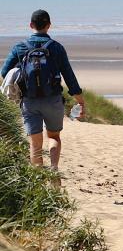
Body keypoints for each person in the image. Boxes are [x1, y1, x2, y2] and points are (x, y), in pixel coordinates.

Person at [1, 9, 85, 171]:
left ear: (31, 25)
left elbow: (4, 73)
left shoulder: (20, 47)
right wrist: (80, 101)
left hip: (29, 101)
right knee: (54, 136)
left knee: (35, 143)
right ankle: (53, 168)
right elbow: (69, 76)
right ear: (49, 26)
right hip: (53, 100)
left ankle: (40, 177)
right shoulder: (57, 48)